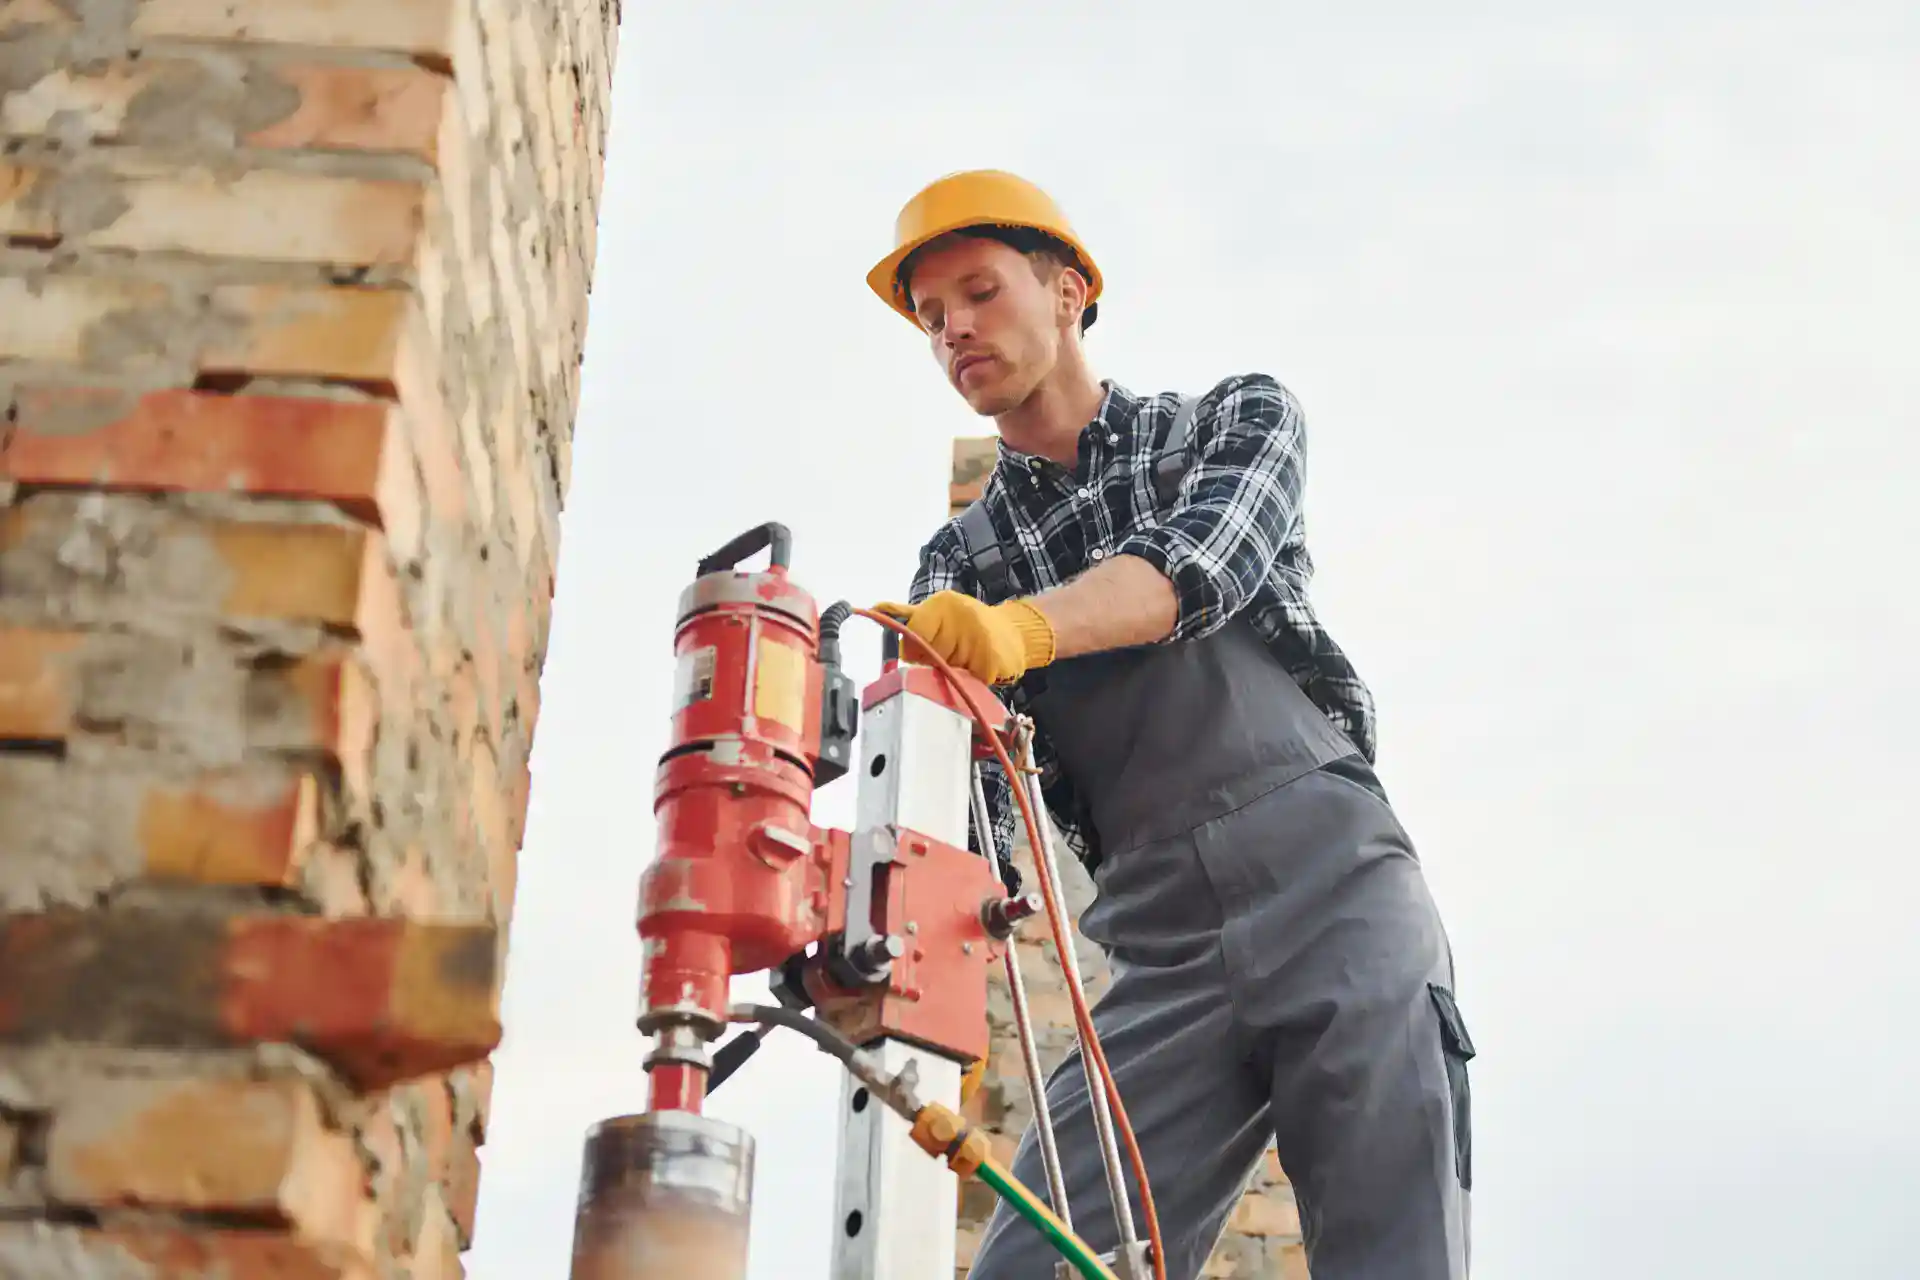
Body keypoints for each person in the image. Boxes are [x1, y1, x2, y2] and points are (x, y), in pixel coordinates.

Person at [869, 170, 1476, 1280]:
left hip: (1333, 888)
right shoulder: (954, 570)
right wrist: (926, 987)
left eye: (978, 290)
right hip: (1162, 952)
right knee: (1035, 1263)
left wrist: (1020, 634)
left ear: (1067, 291)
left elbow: (1201, 568)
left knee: (1394, 1254)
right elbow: (969, 823)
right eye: (929, 315)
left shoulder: (1230, 423)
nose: (954, 327)